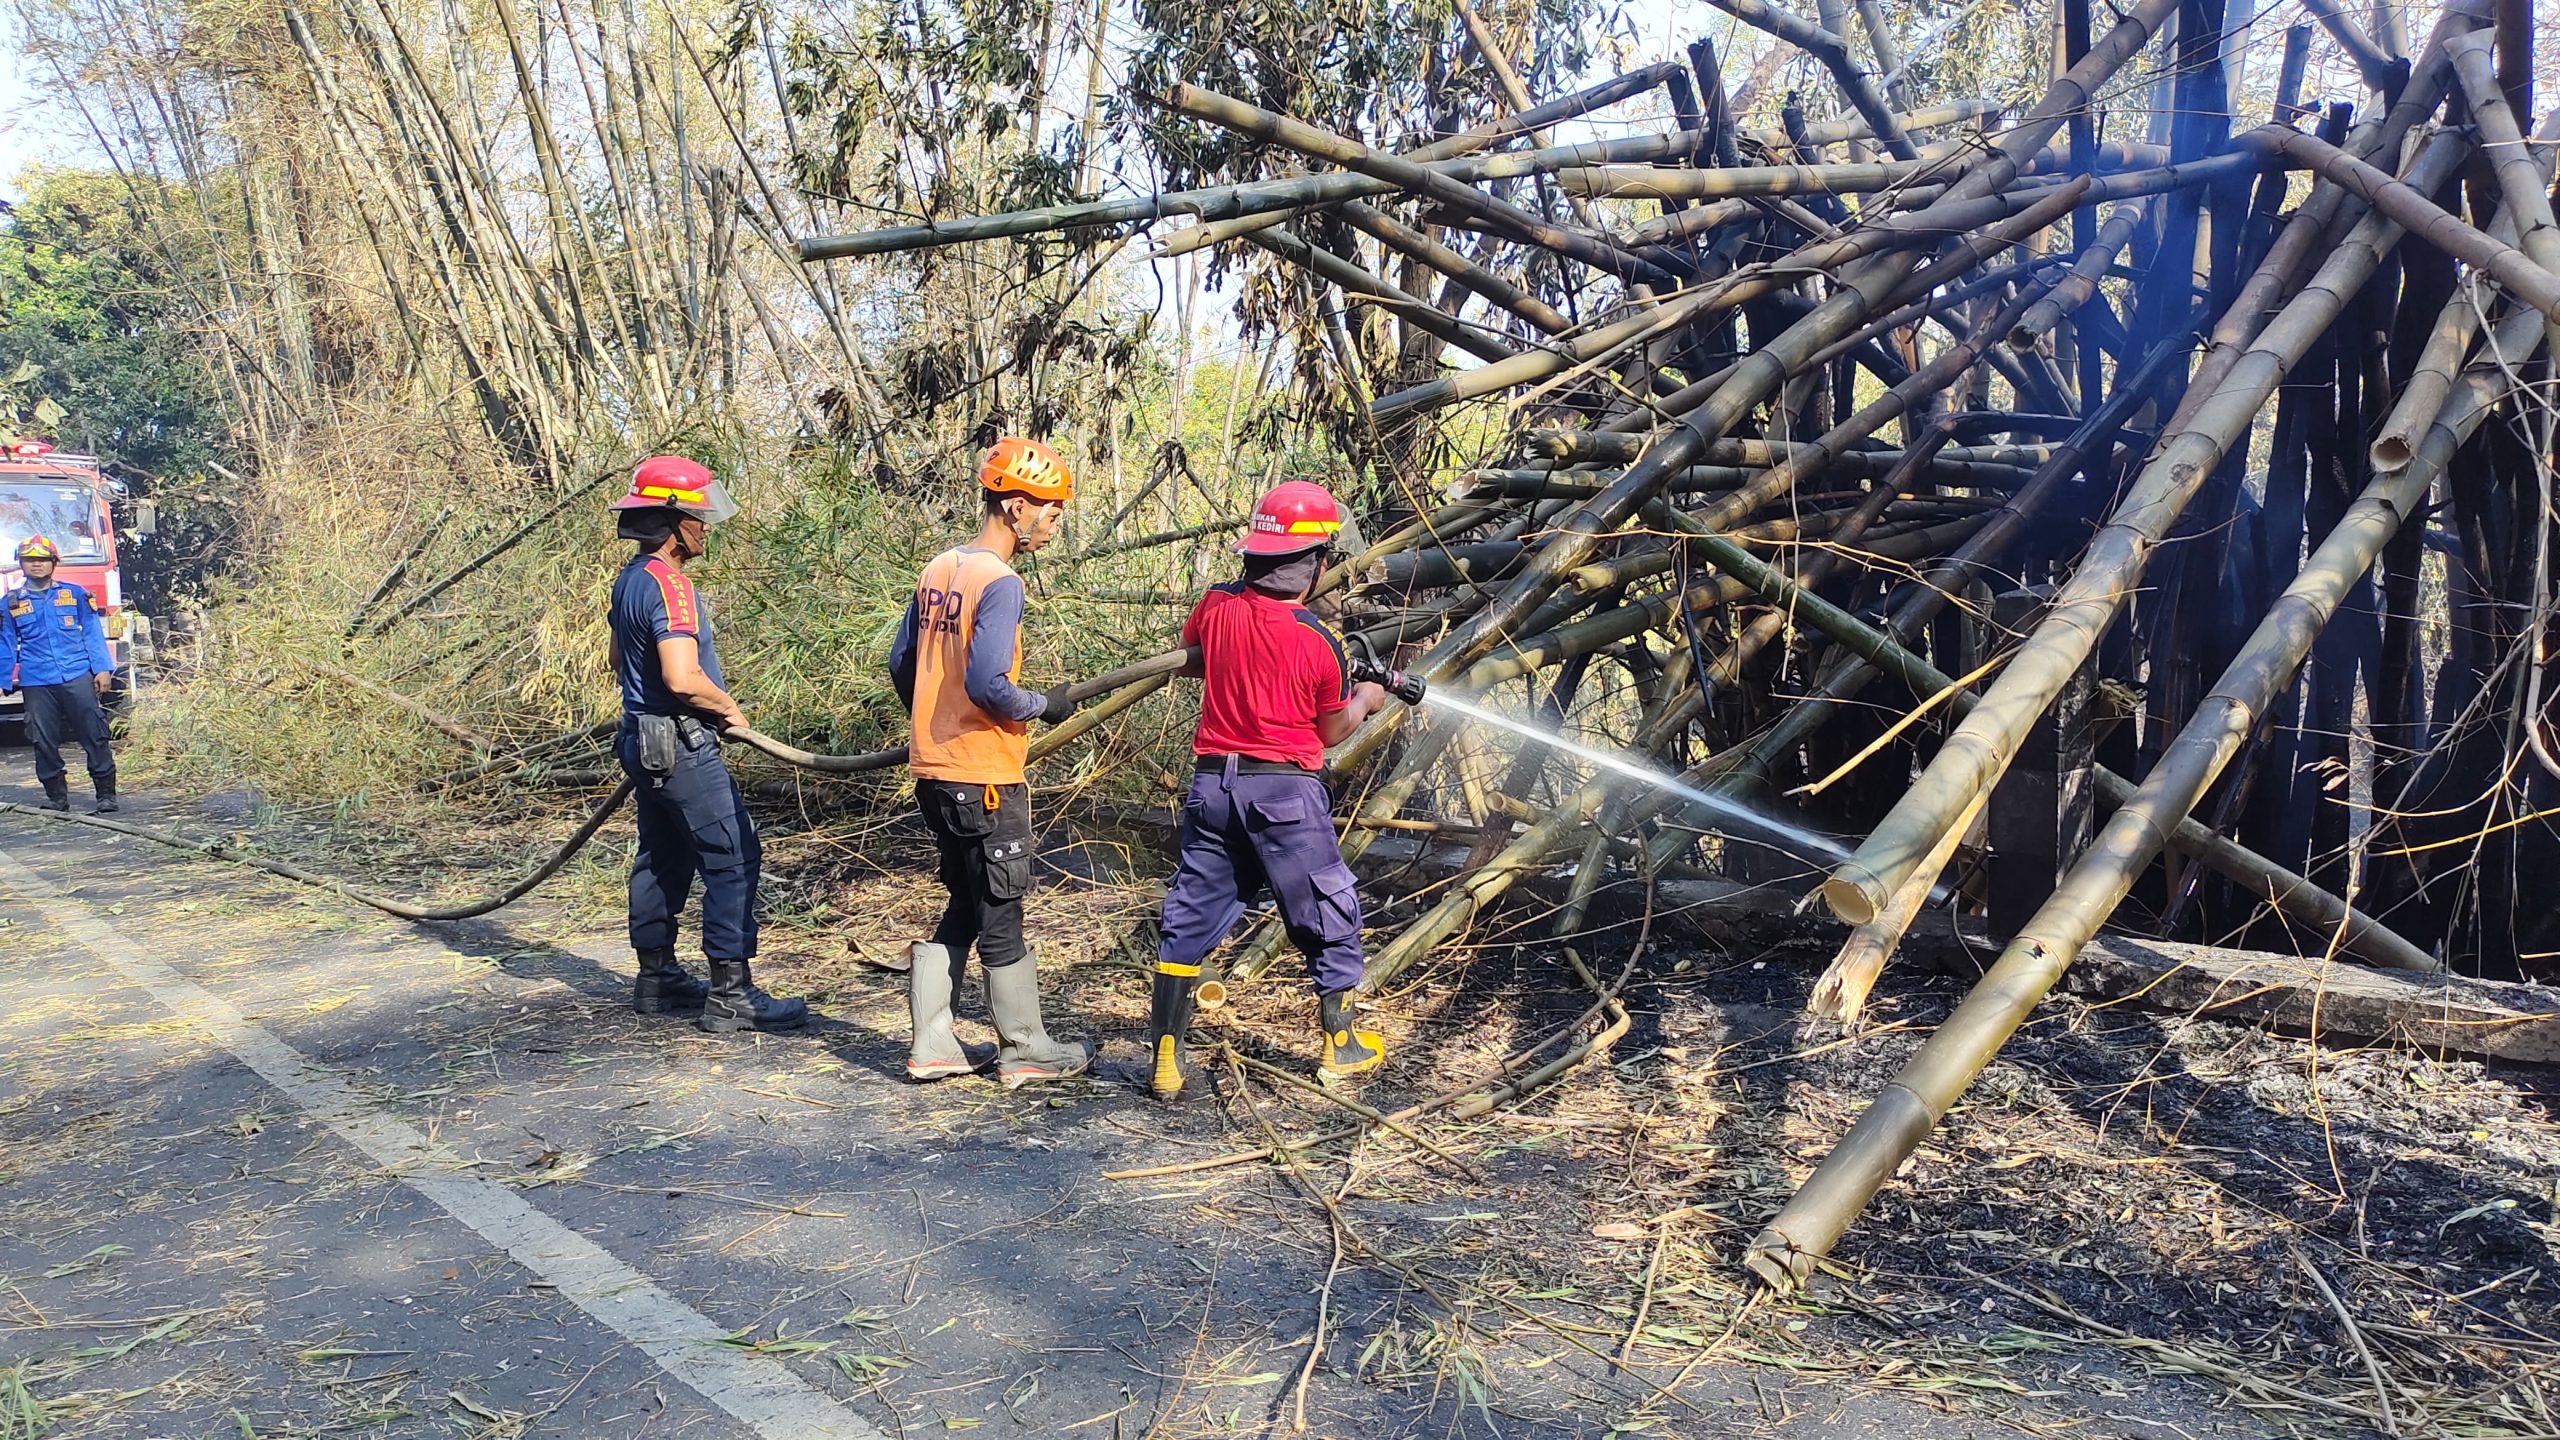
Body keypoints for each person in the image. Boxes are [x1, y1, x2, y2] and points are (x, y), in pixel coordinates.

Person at [1143, 481, 1394, 1100]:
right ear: (1318, 562)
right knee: (1325, 906)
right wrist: (1367, 696)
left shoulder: (1215, 604)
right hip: (1283, 794)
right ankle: (1342, 1046)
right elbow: (1332, 729)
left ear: (1254, 554)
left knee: (1191, 912)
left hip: (1212, 787)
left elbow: (1196, 654)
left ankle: (1167, 1058)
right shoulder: (1321, 641)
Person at [886, 436, 1091, 1089]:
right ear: (1014, 504)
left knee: (968, 901)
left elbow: (900, 665)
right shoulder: (1001, 583)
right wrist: (1043, 705)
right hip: (985, 777)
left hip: (936, 772)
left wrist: (931, 724)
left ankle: (932, 1042)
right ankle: (1025, 1050)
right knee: (1002, 910)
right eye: (1050, 511)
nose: (1054, 523)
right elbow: (988, 684)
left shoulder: (939, 568)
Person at [607, 455, 807, 1033]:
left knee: (661, 855)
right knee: (734, 856)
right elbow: (681, 677)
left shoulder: (629, 579)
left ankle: (658, 978)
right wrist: (727, 709)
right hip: (679, 743)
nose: (706, 527)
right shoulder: (672, 586)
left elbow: (618, 659)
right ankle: (731, 995)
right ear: (672, 522)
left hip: (641, 740)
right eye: (698, 517)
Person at [1, 535, 118, 814]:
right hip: (36, 679)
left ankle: (106, 794)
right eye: (30, 560)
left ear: (54, 563)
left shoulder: (75, 594)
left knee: (94, 733)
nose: (36, 565)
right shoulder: (11, 602)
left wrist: (102, 668)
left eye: (42, 559)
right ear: (21, 564)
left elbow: (92, 632)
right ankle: (56, 797)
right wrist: (4, 678)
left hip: (76, 673)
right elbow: (5, 642)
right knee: (42, 739)